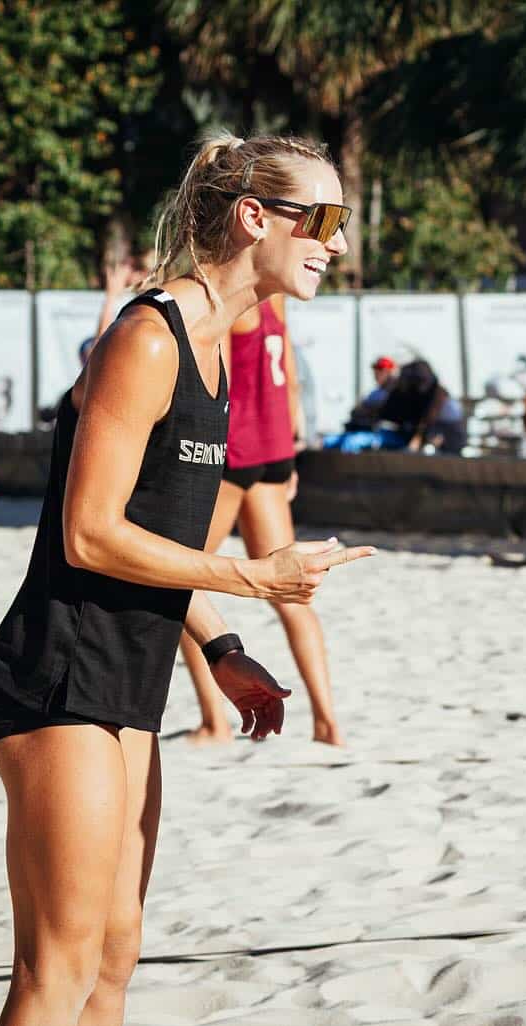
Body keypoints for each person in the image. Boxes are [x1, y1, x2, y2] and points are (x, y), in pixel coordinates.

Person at [0, 133, 373, 1026]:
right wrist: (247, 576)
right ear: (253, 217)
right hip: (60, 669)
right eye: (325, 219)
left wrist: (224, 647)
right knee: (58, 970)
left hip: (130, 675)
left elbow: (151, 540)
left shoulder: (220, 346)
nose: (338, 243)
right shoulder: (149, 339)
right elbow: (88, 534)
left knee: (113, 960)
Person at [180, 294, 347, 746]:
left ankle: (215, 724)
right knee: (294, 597)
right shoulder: (275, 302)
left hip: (236, 451)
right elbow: (290, 379)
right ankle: (327, 722)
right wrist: (289, 454)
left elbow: (220, 383)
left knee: (180, 575)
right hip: (274, 447)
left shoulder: (235, 300)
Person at [345, 355, 397, 430]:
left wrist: (367, 409)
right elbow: (355, 411)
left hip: (387, 432)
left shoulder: (396, 391)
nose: (376, 374)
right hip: (369, 429)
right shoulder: (375, 392)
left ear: (390, 372)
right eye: (376, 370)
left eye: (381, 370)